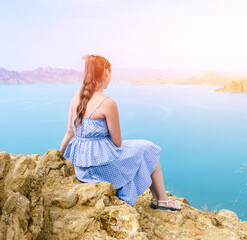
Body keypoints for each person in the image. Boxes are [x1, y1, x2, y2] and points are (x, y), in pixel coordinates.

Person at [59, 54, 182, 211]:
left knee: (143, 149)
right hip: (102, 168)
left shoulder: (77, 95)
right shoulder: (107, 103)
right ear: (106, 73)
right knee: (149, 148)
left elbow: (70, 133)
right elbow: (117, 142)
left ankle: (159, 199)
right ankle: (162, 200)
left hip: (83, 170)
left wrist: (59, 156)